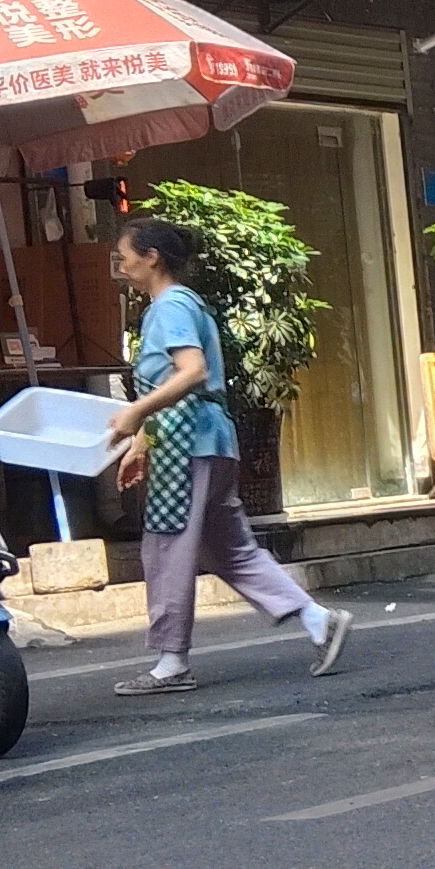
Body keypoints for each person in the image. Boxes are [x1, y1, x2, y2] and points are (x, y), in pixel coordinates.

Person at [107, 215, 348, 697]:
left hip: (185, 442)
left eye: (125, 257)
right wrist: (140, 442)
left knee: (167, 546)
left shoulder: (169, 305)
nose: (122, 266)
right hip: (208, 439)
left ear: (151, 258)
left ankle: (172, 660)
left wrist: (136, 414)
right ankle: (316, 618)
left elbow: (190, 373)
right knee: (227, 547)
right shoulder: (185, 303)